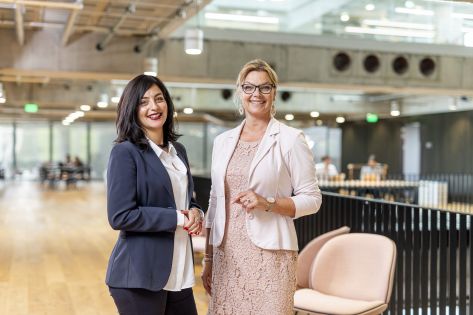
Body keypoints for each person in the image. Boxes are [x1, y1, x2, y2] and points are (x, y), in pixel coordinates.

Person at [202, 59, 322, 314]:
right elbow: (214, 203)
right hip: (227, 255)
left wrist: (268, 203)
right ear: (240, 92)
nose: (256, 94)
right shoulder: (222, 142)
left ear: (274, 92)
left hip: (271, 256)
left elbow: (312, 199)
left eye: (264, 88)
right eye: (249, 87)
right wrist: (209, 258)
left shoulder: (291, 140)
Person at [105, 74, 203, 315]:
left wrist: (196, 212)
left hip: (179, 271)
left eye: (159, 99)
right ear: (132, 109)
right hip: (139, 276)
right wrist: (180, 218)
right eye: (144, 101)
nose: (154, 107)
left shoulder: (178, 151)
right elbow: (121, 216)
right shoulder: (125, 153)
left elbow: (183, 199)